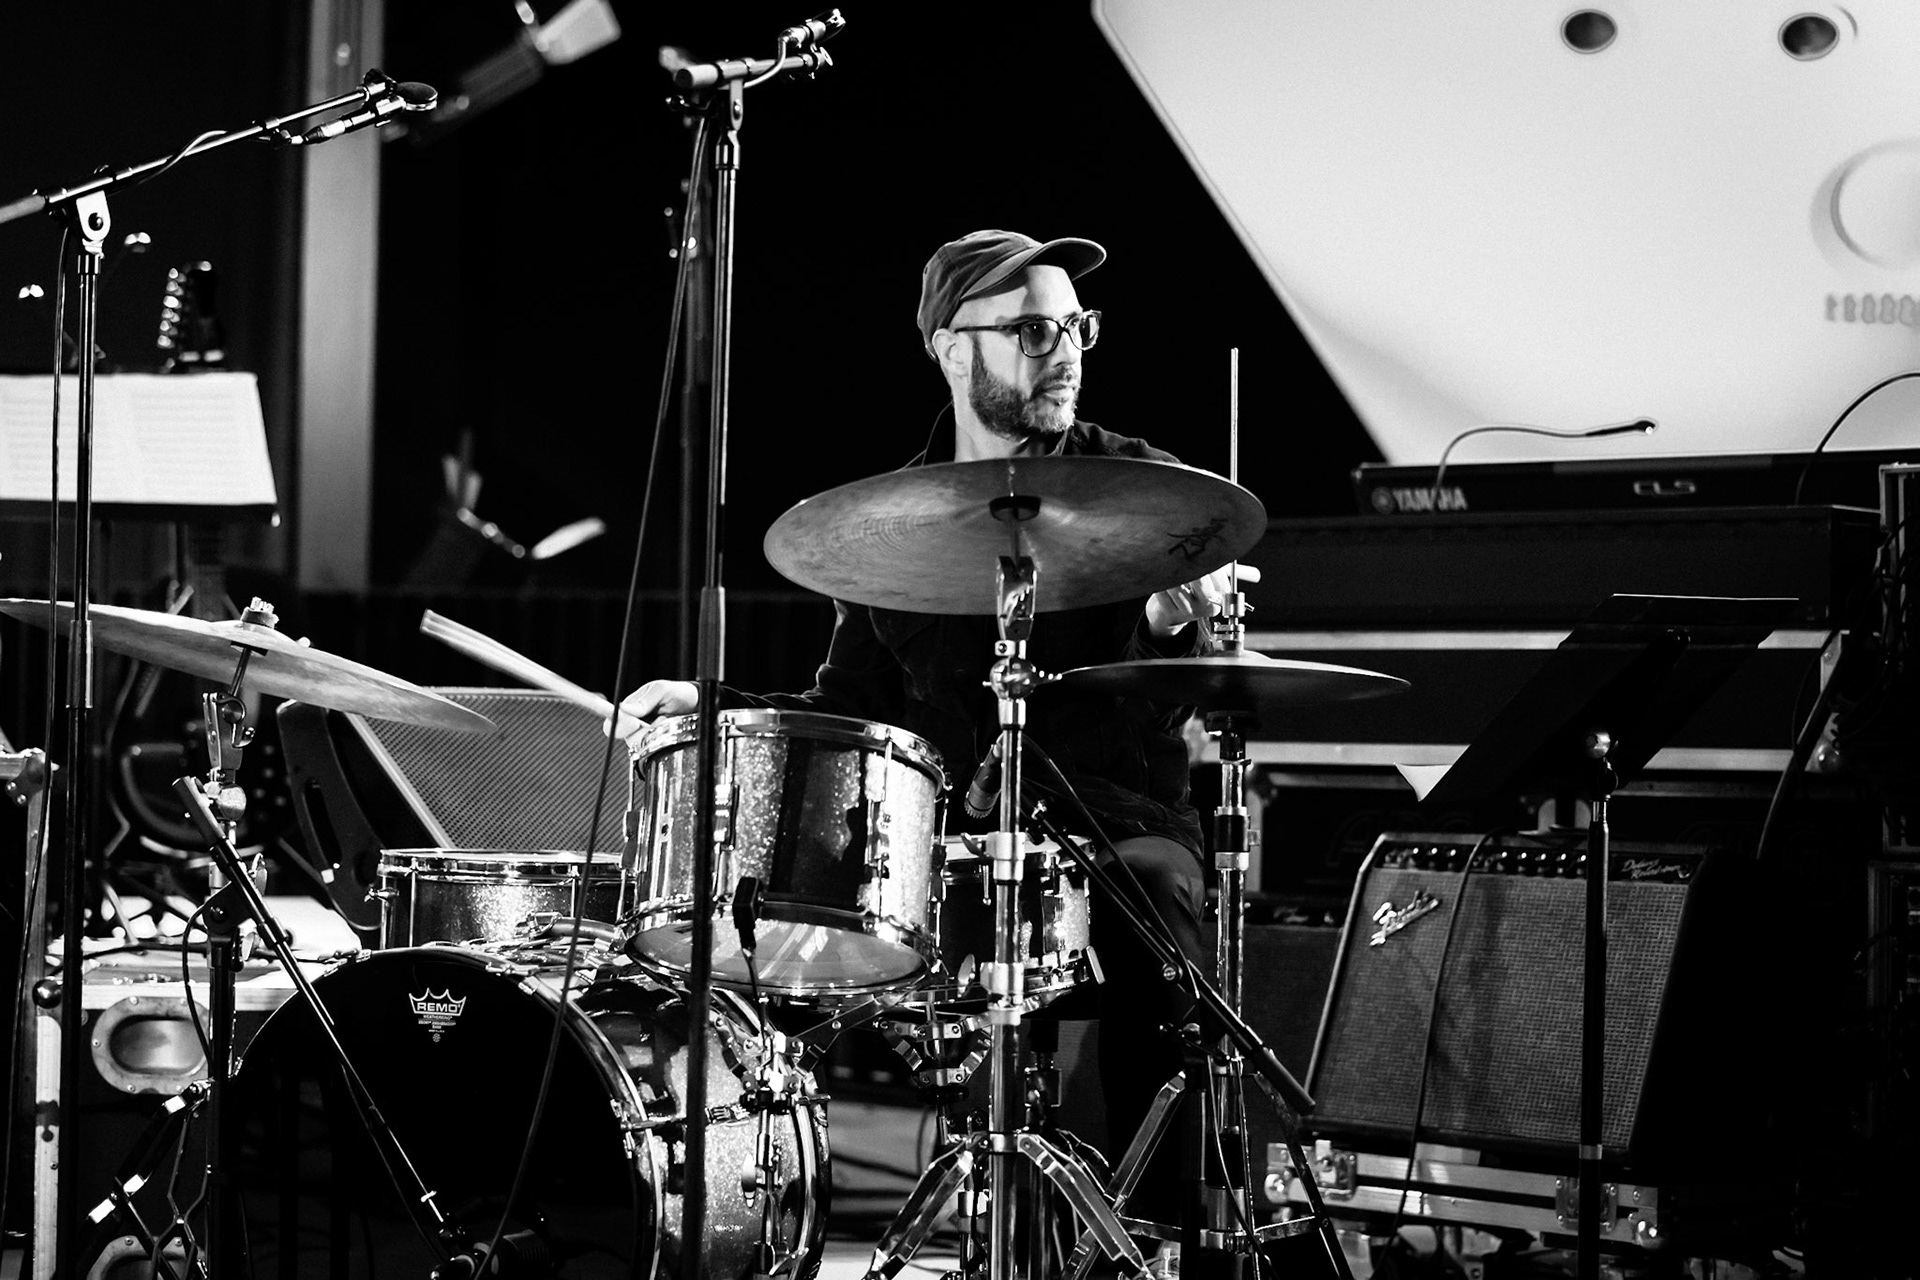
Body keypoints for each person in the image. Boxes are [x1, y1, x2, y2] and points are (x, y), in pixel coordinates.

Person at [620, 228, 1232, 1221]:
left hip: (1121, 832)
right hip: (949, 845)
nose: (1066, 349)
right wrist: (709, 704)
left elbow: (1208, 678)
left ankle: (1168, 1229)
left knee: (1159, 934)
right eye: (1033, 329)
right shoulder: (892, 526)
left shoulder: (1147, 494)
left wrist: (1186, 623)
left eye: (1077, 326)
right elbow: (844, 712)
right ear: (954, 347)